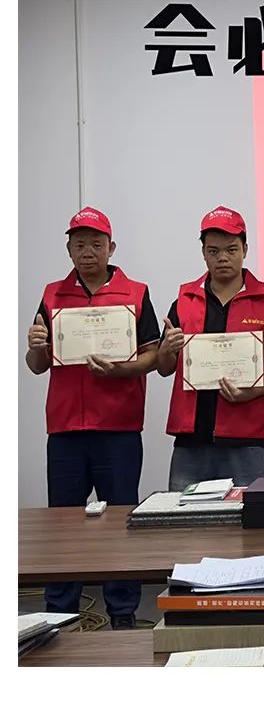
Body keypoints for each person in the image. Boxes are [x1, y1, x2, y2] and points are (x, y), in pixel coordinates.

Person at [25, 207, 160, 628]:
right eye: (79, 244)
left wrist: (121, 370)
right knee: (63, 524)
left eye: (96, 244)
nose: (88, 251)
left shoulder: (136, 293)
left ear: (111, 247)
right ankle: (60, 614)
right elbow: (37, 365)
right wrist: (35, 346)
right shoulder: (52, 295)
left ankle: (122, 614)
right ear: (69, 249)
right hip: (65, 428)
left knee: (120, 521)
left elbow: (154, 355)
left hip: (118, 426)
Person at [157, 206, 264, 489]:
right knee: (185, 514)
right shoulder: (184, 300)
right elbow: (164, 368)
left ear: (245, 249)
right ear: (203, 253)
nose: (222, 258)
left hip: (247, 436)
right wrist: (167, 349)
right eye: (213, 251)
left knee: (245, 514)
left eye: (231, 250)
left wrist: (253, 390)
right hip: (191, 438)